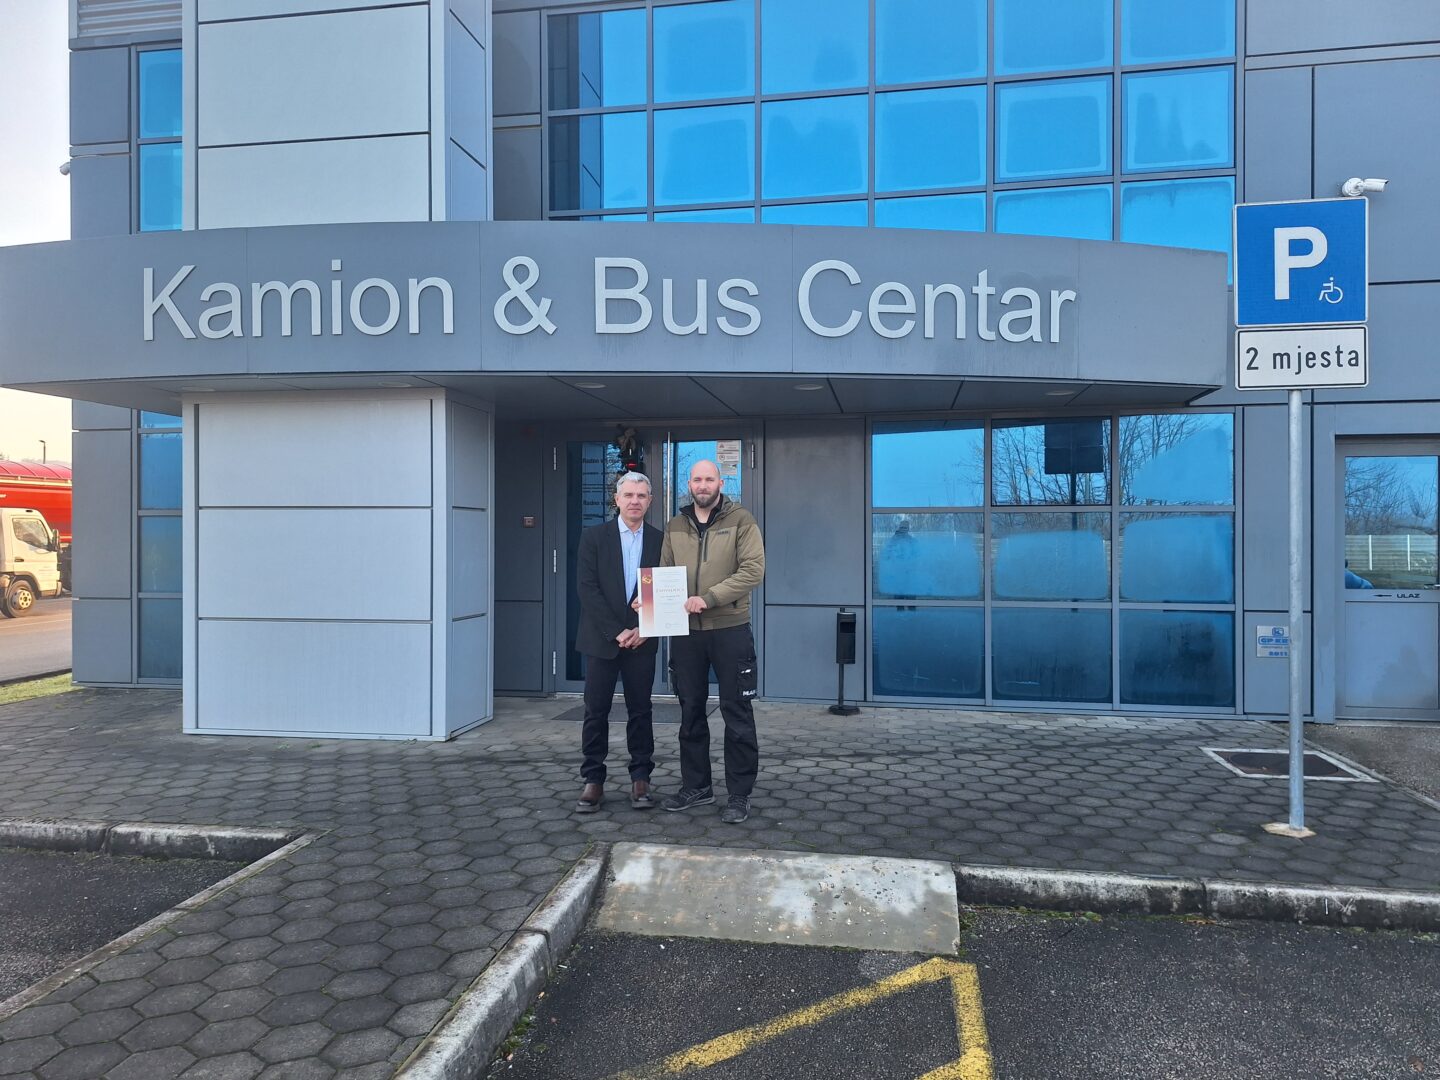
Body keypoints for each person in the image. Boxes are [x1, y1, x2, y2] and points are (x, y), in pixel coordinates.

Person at [659, 459, 766, 824]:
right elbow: (664, 574)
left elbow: (753, 570)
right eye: (697, 479)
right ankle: (697, 787)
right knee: (690, 711)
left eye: (709, 479)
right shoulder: (675, 525)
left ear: (721, 483)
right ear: (689, 484)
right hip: (686, 633)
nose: (702, 485)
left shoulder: (742, 520)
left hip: (730, 629)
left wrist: (710, 598)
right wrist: (651, 602)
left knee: (737, 713)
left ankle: (739, 794)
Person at [573, 471, 664, 814]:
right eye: (629, 495)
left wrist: (643, 627)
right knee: (596, 710)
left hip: (643, 639)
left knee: (641, 710)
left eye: (641, 496)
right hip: (602, 640)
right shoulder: (594, 537)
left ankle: (641, 778)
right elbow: (587, 589)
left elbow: (665, 587)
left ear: (650, 501)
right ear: (617, 499)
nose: (634, 501)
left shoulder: (661, 540)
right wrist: (617, 631)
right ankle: (593, 779)